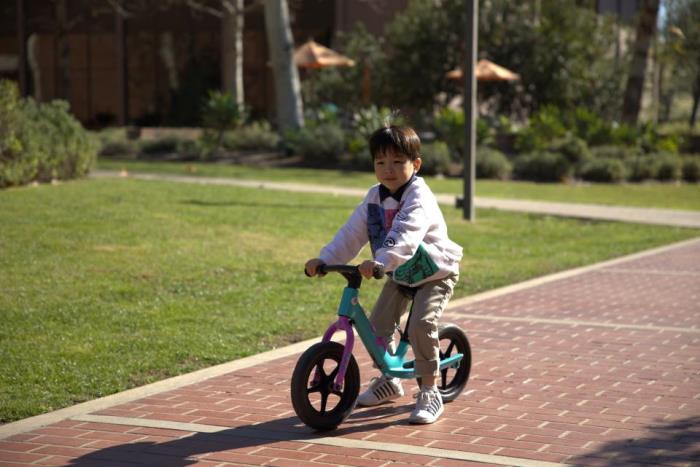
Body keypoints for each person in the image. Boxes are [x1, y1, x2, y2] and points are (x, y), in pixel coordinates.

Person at [305, 124, 463, 424]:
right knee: (377, 326)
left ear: (415, 164)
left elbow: (406, 233)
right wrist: (325, 259)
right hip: (401, 274)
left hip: (434, 273)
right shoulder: (373, 198)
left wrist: (382, 261)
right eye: (380, 162)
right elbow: (351, 234)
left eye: (397, 162)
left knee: (421, 324)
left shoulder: (419, 197)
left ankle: (430, 390)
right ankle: (390, 381)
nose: (388, 170)